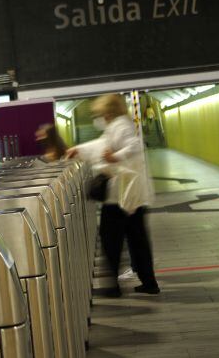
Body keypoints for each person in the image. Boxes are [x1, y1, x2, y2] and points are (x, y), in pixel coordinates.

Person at [66, 94, 159, 297]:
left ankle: (115, 287)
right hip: (129, 196)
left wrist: (113, 157)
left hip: (121, 197)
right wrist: (78, 149)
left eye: (99, 114)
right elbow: (100, 145)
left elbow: (134, 146)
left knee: (111, 240)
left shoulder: (121, 126)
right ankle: (149, 283)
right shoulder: (118, 125)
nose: (97, 118)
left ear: (108, 112)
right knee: (137, 240)